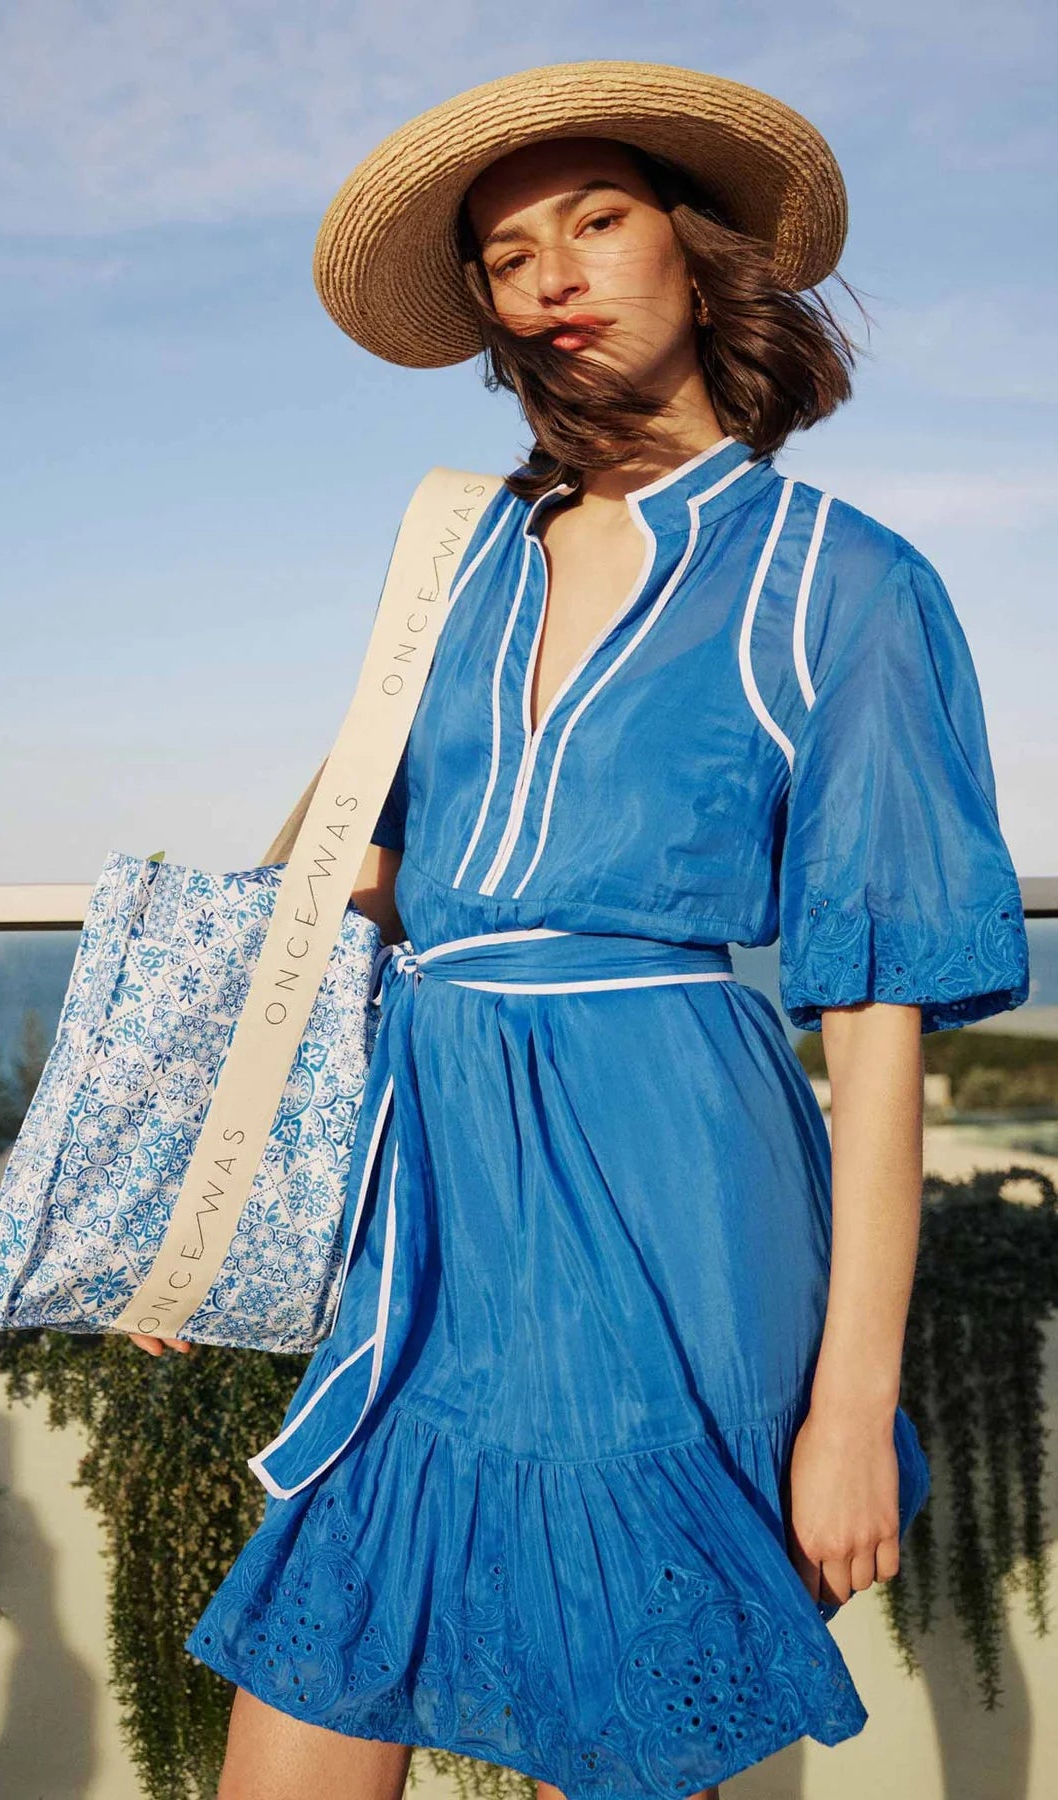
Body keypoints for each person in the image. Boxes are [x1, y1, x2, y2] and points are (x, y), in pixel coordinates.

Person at [130, 60, 1030, 1800]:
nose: (548, 273)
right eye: (506, 251)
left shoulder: (843, 582)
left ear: (696, 255)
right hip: (437, 1203)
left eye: (596, 221)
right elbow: (333, 881)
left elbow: (878, 1019)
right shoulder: (452, 559)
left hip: (673, 1192)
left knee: (621, 1750)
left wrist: (852, 1406)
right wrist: (203, 1177)